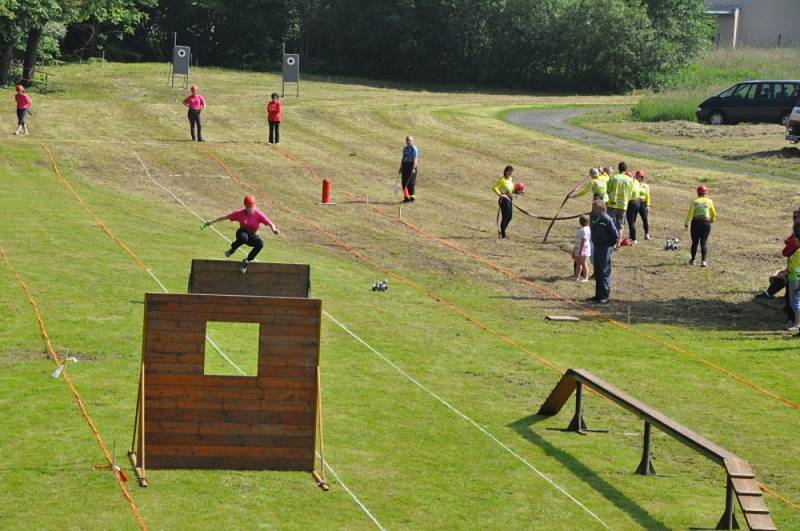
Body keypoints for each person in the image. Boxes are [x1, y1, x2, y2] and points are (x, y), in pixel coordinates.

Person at [202, 195, 279, 273]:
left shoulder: (258, 214)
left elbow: (270, 223)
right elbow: (225, 217)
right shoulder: (240, 213)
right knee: (243, 238)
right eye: (247, 207)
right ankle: (232, 249)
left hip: (252, 235)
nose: (249, 209)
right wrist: (211, 222)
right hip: (242, 232)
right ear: (244, 206)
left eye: (251, 207)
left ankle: (247, 261)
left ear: (254, 206)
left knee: (260, 243)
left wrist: (274, 230)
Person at [588, 200, 619, 304]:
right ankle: (598, 295)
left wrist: (611, 244)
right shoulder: (594, 218)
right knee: (598, 271)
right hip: (597, 246)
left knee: (604, 271)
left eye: (595, 207)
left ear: (601, 208)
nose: (593, 209)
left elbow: (615, 234)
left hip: (605, 248)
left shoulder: (607, 219)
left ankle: (604, 296)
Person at [685, 185, 717, 267]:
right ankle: (703, 261)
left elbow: (690, 212)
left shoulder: (695, 201)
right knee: (704, 242)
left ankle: (693, 260)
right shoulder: (709, 201)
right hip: (706, 222)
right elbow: (713, 213)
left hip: (696, 222)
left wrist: (687, 222)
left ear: (697, 193)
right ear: (706, 193)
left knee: (695, 242)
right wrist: (712, 219)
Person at [606, 162, 635, 242]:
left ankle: (610, 240)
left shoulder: (614, 178)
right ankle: (618, 242)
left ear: (618, 168)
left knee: (609, 223)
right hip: (623, 205)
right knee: (620, 225)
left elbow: (608, 190)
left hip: (612, 203)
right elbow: (631, 192)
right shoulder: (629, 180)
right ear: (625, 170)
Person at [626, 170, 651, 243]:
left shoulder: (645, 186)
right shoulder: (633, 183)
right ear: (636, 176)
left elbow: (648, 196)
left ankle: (646, 233)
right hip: (635, 202)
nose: (641, 177)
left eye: (642, 176)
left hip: (643, 203)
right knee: (632, 220)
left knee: (645, 219)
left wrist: (648, 205)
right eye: (640, 176)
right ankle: (632, 237)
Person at [492, 165, 516, 239]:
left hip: (509, 199)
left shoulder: (510, 179)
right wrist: (500, 194)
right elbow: (494, 188)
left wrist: (517, 191)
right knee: (505, 217)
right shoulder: (502, 180)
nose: (511, 173)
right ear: (506, 171)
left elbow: (511, 189)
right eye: (509, 171)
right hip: (504, 200)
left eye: (512, 171)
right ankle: (503, 234)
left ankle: (503, 232)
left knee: (510, 217)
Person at [398, 135, 419, 203]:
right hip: (405, 166)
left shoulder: (414, 149)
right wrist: (401, 167)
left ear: (412, 141)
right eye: (407, 140)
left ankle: (412, 197)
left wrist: (413, 168)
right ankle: (406, 198)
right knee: (404, 183)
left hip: (411, 166)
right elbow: (403, 158)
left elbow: (415, 159)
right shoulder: (405, 149)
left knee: (411, 183)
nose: (408, 141)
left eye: (410, 140)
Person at [573, 215, 591, 281]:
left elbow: (584, 239)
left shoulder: (585, 230)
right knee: (578, 263)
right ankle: (577, 277)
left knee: (583, 263)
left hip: (583, 249)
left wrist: (581, 250)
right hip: (578, 248)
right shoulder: (583, 229)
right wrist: (575, 250)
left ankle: (586, 277)